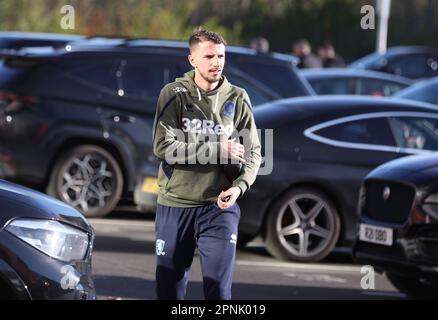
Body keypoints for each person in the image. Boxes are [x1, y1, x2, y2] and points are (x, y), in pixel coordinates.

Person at [152, 26, 261, 300]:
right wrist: (216, 148)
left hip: (219, 207)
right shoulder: (174, 94)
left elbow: (254, 153)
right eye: (210, 56)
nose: (217, 63)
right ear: (193, 60)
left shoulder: (237, 98)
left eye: (221, 56)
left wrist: (240, 187)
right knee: (170, 289)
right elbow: (163, 146)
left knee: (218, 290)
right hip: (176, 204)